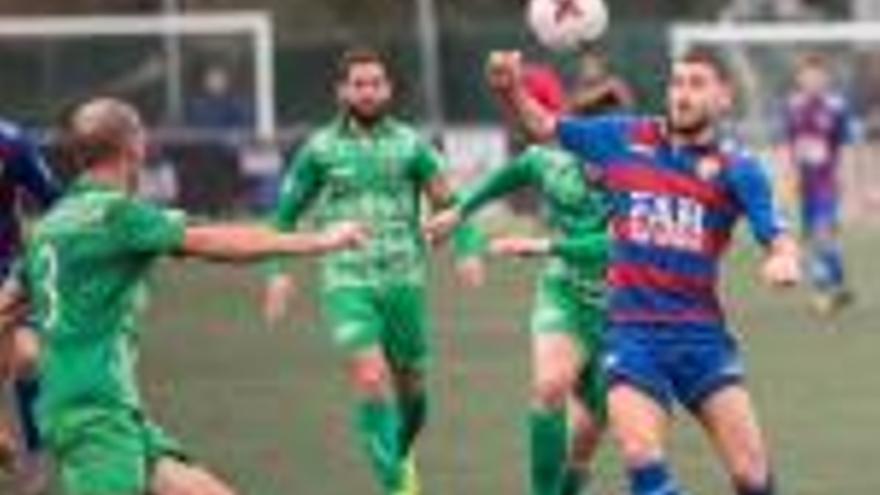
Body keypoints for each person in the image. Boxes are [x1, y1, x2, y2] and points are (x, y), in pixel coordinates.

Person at [8, 97, 368, 495]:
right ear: (134, 146)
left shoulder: (49, 226)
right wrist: (320, 239)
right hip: (95, 417)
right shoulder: (115, 215)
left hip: (105, 411)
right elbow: (212, 241)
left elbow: (6, 306)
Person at [485, 48, 801, 495]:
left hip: (702, 337)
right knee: (640, 453)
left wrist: (783, 258)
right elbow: (543, 126)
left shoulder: (738, 168)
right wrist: (510, 89)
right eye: (677, 83)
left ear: (724, 97)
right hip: (633, 336)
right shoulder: (624, 138)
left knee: (751, 474)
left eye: (696, 84)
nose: (682, 94)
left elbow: (775, 231)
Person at [262, 48, 485, 495]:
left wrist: (467, 248)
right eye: (358, 84)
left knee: (414, 397)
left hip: (404, 281)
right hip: (347, 280)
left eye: (375, 83)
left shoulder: (411, 145)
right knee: (370, 378)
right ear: (342, 91)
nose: (367, 92)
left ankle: (400, 455)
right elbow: (283, 218)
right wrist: (276, 271)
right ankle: (397, 487)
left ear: (389, 89)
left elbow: (450, 203)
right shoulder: (319, 149)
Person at [426, 135, 609, 495]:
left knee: (592, 422)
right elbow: (520, 167)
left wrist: (545, 245)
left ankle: (572, 483)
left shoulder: (638, 186)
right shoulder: (555, 166)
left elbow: (612, 249)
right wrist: (459, 211)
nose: (597, 164)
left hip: (622, 312)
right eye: (588, 152)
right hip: (565, 295)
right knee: (551, 386)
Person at [0, 118, 61, 493]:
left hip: (7, 268)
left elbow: (56, 200)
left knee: (26, 357)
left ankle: (36, 459)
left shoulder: (11, 143)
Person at [779, 53, 855, 316]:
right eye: (807, 76)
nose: (812, 80)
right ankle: (840, 283)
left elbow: (843, 146)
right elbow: (790, 146)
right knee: (814, 239)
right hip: (804, 185)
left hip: (827, 183)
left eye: (817, 76)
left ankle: (821, 293)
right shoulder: (792, 106)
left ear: (825, 78)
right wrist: (789, 178)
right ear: (800, 78)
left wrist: (845, 177)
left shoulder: (836, 107)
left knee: (822, 234)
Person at [568, 48, 634, 117]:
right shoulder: (578, 85)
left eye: (591, 63)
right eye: (584, 63)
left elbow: (629, 108)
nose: (585, 67)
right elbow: (574, 104)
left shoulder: (615, 83)